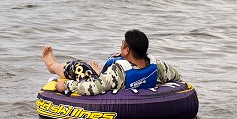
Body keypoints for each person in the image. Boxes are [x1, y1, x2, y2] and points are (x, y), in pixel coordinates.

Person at [42, 29, 181, 95]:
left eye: (122, 44)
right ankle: (99, 73)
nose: (120, 46)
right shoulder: (157, 65)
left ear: (127, 50)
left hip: (110, 83)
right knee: (99, 72)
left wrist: (66, 84)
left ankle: (53, 66)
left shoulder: (118, 71)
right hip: (116, 81)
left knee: (80, 67)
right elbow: (176, 76)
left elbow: (93, 88)